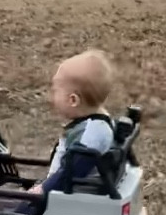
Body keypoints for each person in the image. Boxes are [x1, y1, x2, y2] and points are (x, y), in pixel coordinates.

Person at [31, 49, 114, 198]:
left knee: (15, 213)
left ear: (73, 100)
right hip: (60, 191)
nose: (51, 96)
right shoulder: (95, 124)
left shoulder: (92, 134)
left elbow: (74, 169)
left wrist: (43, 189)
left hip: (66, 197)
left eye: (55, 90)